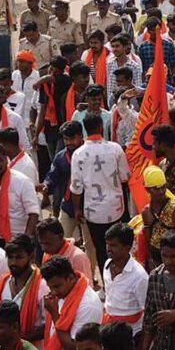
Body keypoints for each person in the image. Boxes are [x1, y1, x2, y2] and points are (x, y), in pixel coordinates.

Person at [70, 112, 129, 271]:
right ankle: (122, 274)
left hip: (93, 212)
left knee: (101, 249)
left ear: (85, 130)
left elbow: (76, 187)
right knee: (119, 245)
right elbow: (125, 177)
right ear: (101, 127)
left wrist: (76, 209)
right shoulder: (115, 149)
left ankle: (106, 280)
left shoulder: (78, 154)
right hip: (116, 208)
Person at [41, 254, 103, 350]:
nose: (53, 292)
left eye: (57, 286)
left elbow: (73, 349)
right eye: (50, 287)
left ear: (70, 278)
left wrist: (55, 314)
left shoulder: (87, 304)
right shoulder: (63, 295)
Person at [0, 233, 49, 344]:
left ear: (31, 257)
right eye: (10, 257)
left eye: (19, 257)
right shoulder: (4, 282)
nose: (13, 263)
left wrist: (19, 340)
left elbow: (49, 325)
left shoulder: (43, 286)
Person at [102, 223, 149, 344]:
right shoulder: (107, 265)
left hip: (130, 335)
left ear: (127, 247)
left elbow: (148, 313)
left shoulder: (139, 276)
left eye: (113, 245)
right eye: (107, 244)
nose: (108, 249)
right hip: (109, 329)